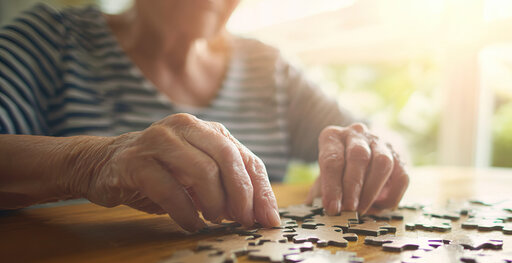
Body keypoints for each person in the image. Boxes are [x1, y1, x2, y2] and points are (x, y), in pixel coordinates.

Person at [0, 0, 409, 232]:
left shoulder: (269, 67)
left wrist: (370, 148)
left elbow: (376, 133)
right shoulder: (49, 38)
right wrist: (92, 163)